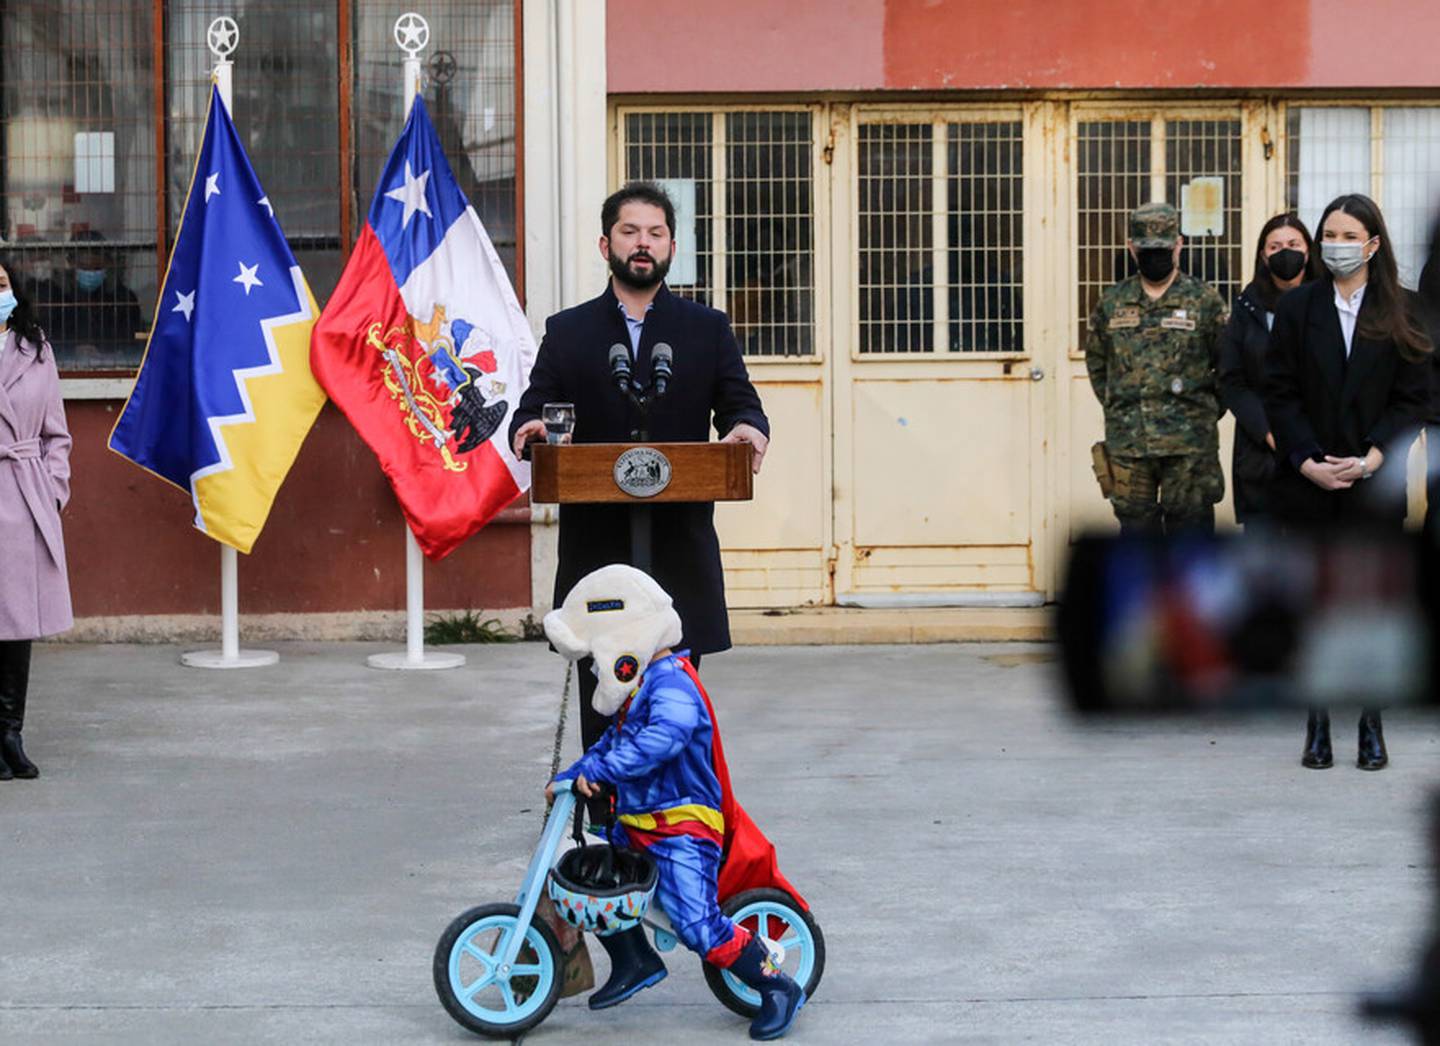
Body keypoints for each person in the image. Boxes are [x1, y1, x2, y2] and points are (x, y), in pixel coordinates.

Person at [508, 182, 770, 815]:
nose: (643, 244)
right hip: (598, 553)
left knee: (672, 704)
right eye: (630, 232)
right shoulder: (568, 333)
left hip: (678, 552)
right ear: (607, 244)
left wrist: (747, 430)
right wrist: (533, 429)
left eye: (655, 233)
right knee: (604, 693)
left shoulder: (706, 329)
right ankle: (602, 833)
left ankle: (677, 826)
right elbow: (531, 411)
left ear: (672, 246)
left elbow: (741, 405)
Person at [543, 565, 807, 1041]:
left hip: (683, 824)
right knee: (594, 879)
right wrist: (573, 774)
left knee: (696, 924)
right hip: (639, 821)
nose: (595, 669)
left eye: (596, 657)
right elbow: (610, 744)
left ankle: (777, 986)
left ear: (623, 643)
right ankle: (634, 960)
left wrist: (600, 773)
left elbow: (664, 738)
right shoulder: (640, 691)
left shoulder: (672, 687)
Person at [1263, 193, 1433, 771]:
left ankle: (1370, 721)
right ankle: (1317, 723)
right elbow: (1278, 392)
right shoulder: (1297, 309)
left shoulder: (1402, 311)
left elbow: (1414, 398)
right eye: (1328, 234)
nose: (1335, 244)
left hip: (1372, 482)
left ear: (1373, 244)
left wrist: (1374, 457)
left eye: (1347, 234)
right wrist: (1306, 459)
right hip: (1308, 479)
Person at [1085, 202, 1229, 534]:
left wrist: (1201, 413)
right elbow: (1097, 362)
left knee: (1191, 540)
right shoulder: (1112, 302)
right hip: (1130, 444)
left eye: (1163, 248)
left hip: (1190, 447)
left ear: (1179, 244)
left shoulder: (1205, 301)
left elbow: (1226, 367)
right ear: (1131, 247)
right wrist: (1121, 406)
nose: (1155, 255)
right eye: (1146, 249)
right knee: (1136, 539)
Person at [0, 257, 74, 780]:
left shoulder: (36, 349)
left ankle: (10, 734)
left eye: (0, 283)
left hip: (23, 497)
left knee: (17, 625)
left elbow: (57, 434)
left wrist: (51, 491)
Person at [1218, 214, 1323, 526]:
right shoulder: (1246, 306)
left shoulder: (1328, 302)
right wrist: (1270, 431)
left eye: (1293, 244)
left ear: (1308, 250)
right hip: (1261, 453)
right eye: (1275, 246)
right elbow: (1232, 380)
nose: (1284, 252)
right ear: (1263, 255)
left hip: (1320, 450)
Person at [41, 230, 143, 363]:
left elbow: (135, 343)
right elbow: (44, 341)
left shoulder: (123, 298)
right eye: (84, 267)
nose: (90, 273)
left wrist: (108, 352)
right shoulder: (56, 297)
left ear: (107, 263)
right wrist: (73, 350)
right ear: (71, 263)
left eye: (96, 268)